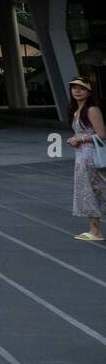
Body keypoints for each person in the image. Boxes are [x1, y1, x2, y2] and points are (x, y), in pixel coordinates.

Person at [66, 77, 105, 241]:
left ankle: (96, 231)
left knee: (93, 191)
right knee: (88, 192)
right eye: (74, 88)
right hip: (82, 156)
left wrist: (80, 139)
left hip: (91, 157)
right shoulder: (76, 111)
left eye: (81, 88)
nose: (77, 90)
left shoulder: (91, 110)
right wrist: (75, 139)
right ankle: (94, 230)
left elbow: (102, 134)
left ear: (89, 92)